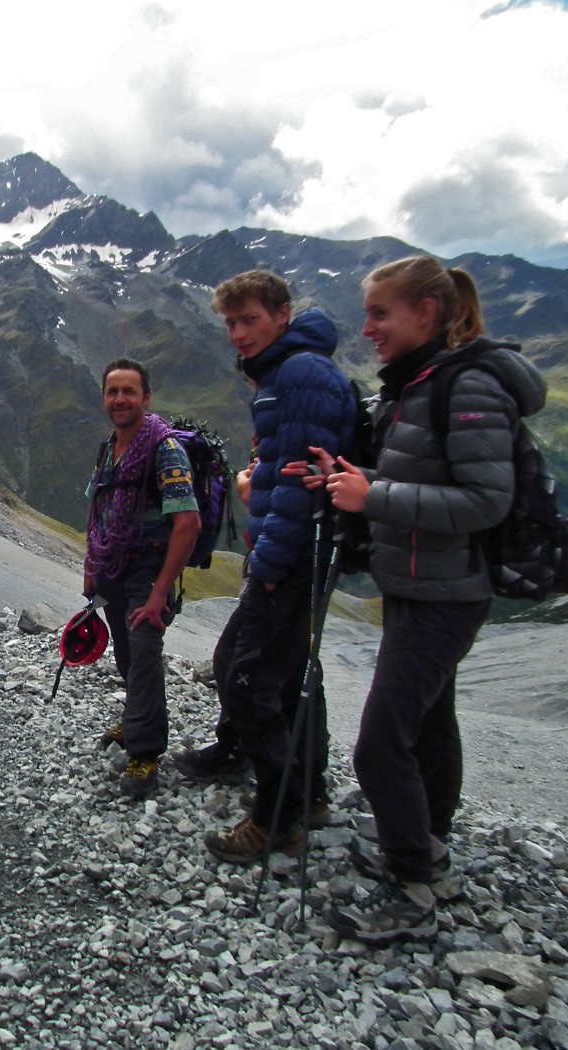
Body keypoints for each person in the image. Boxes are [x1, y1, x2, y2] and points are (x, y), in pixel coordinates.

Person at [313, 256, 545, 943]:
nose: (368, 328)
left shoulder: (468, 384)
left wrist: (373, 495)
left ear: (427, 313)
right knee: (430, 721)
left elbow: (485, 500)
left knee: (379, 745)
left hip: (448, 593)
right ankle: (428, 841)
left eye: (381, 314)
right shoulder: (424, 381)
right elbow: (430, 472)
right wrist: (357, 476)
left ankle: (413, 885)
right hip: (419, 584)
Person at [180, 271, 357, 864]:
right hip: (296, 548)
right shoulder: (286, 370)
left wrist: (272, 562)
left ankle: (277, 812)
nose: (237, 334)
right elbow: (288, 467)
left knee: (242, 671)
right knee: (285, 671)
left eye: (249, 320)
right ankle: (307, 795)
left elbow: (301, 484)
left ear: (282, 314)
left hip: (290, 553)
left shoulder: (300, 374)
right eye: (230, 323)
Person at [84, 359, 201, 800]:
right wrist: (90, 570)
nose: (120, 399)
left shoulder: (165, 449)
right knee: (128, 655)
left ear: (146, 398)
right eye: (112, 391)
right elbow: (98, 509)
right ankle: (136, 720)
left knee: (146, 654)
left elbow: (188, 523)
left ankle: (145, 754)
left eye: (129, 391)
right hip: (113, 569)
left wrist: (157, 594)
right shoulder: (108, 447)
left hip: (148, 571)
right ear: (104, 397)